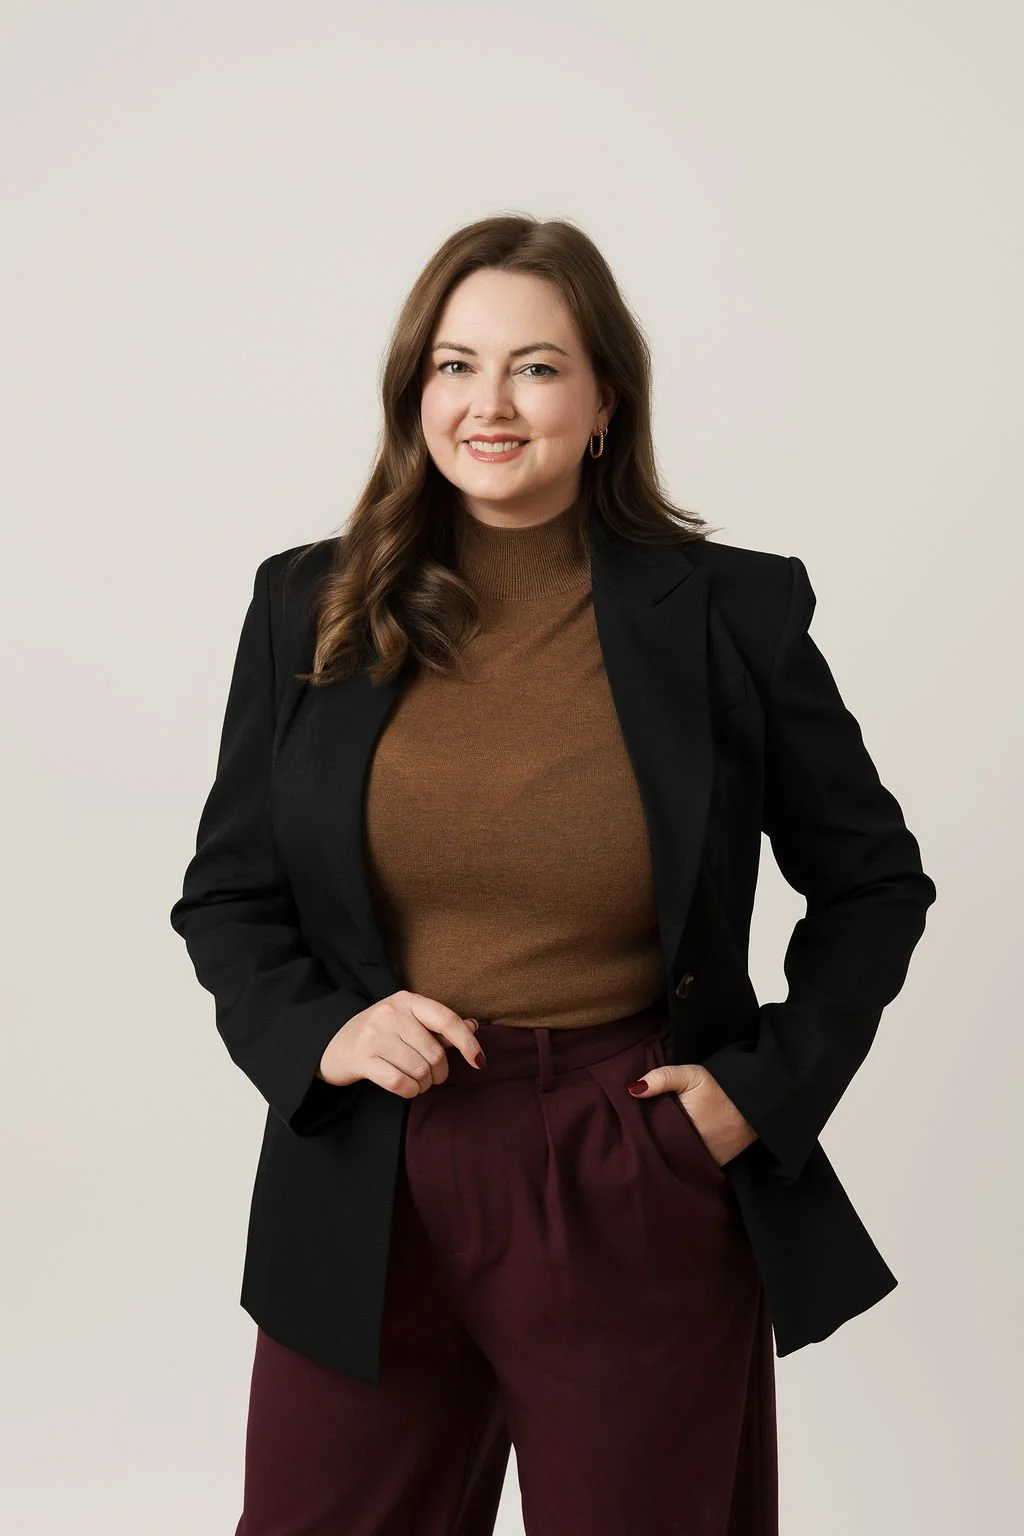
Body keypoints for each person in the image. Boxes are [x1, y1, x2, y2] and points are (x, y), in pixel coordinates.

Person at [169, 213, 937, 1536]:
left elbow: (873, 884)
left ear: (603, 401)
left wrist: (756, 1096)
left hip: (624, 1157)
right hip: (370, 1170)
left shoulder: (727, 616)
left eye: (535, 366)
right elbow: (229, 894)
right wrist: (327, 1031)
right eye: (454, 365)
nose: (489, 403)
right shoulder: (310, 604)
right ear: (414, 394)